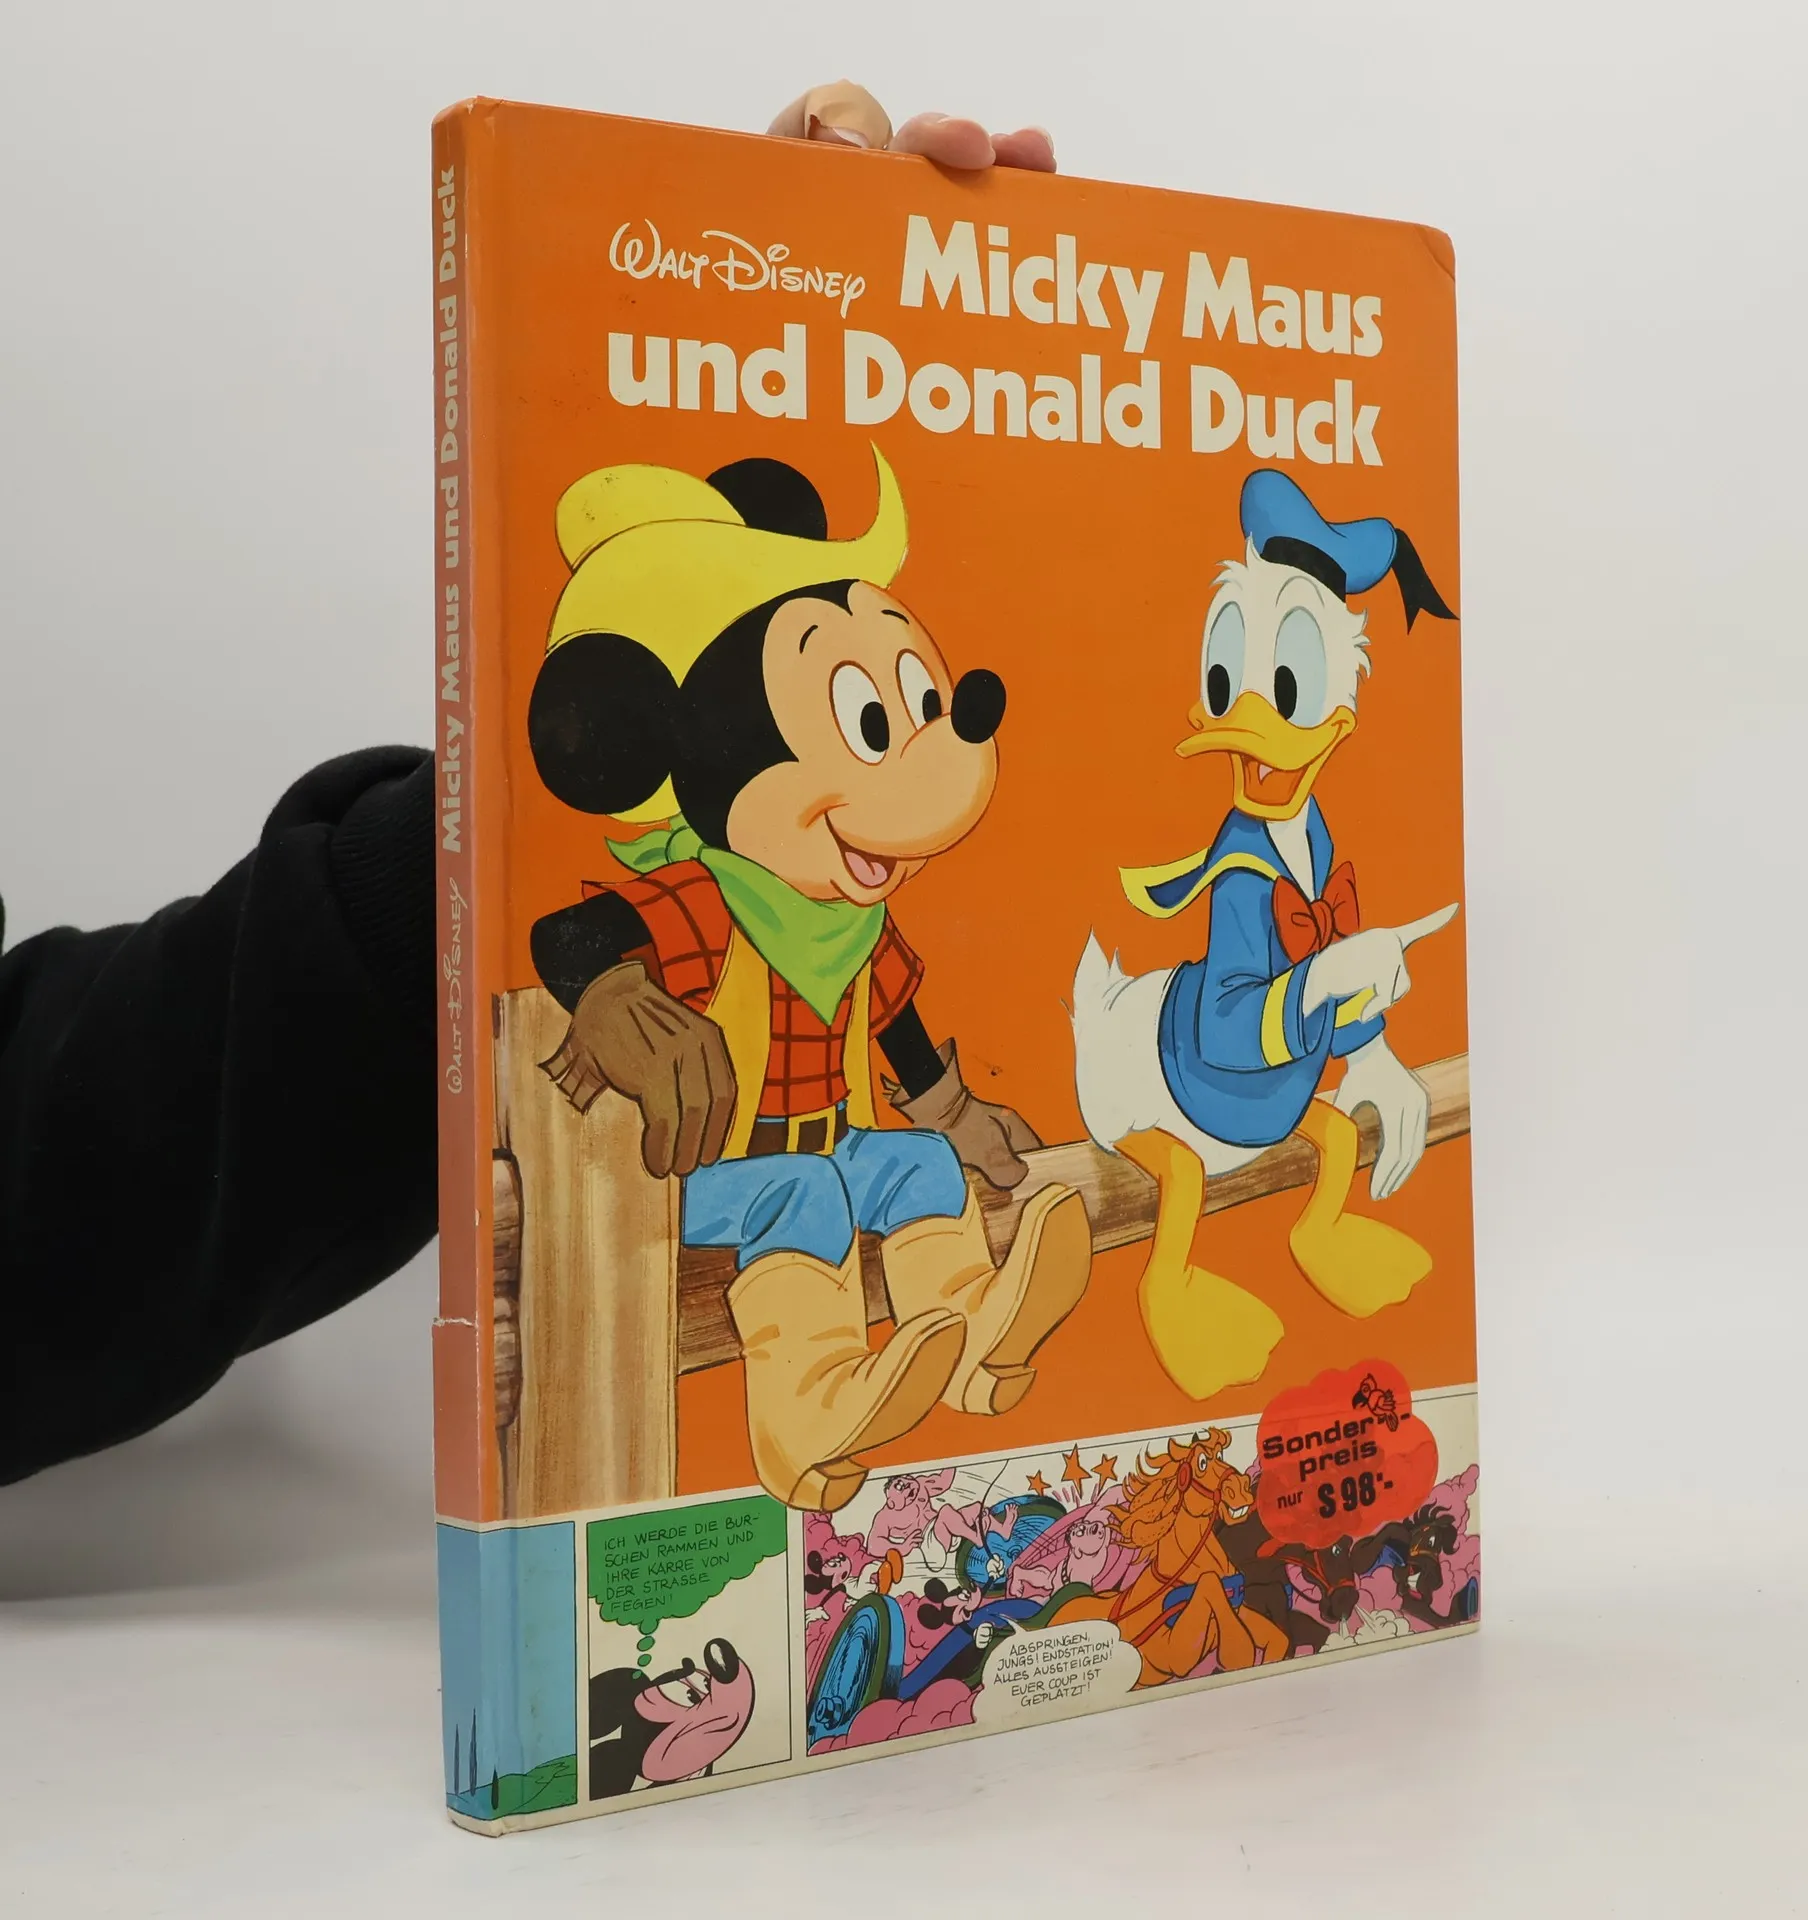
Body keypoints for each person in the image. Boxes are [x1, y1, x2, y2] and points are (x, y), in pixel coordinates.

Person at [0, 85, 1057, 1488]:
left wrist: (962, 1118)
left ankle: (970, 1333)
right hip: (727, 1179)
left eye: (914, 702)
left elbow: (905, 1034)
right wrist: (605, 993)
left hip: (824, 1142)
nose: (930, 747)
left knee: (915, 1173)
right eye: (870, 717)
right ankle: (813, 1412)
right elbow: (582, 934)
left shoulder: (855, 926)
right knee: (806, 1194)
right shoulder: (711, 903)